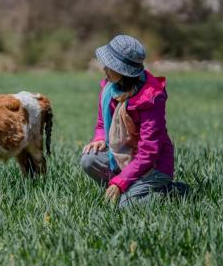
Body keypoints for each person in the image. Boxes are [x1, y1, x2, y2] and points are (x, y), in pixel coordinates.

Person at [80, 35, 188, 207]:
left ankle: (173, 191)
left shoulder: (151, 98)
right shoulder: (109, 90)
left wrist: (121, 182)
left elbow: (149, 152)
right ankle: (121, 189)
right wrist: (99, 138)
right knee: (89, 159)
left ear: (122, 70)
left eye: (109, 64)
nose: (104, 68)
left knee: (126, 207)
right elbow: (101, 123)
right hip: (123, 160)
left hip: (153, 167)